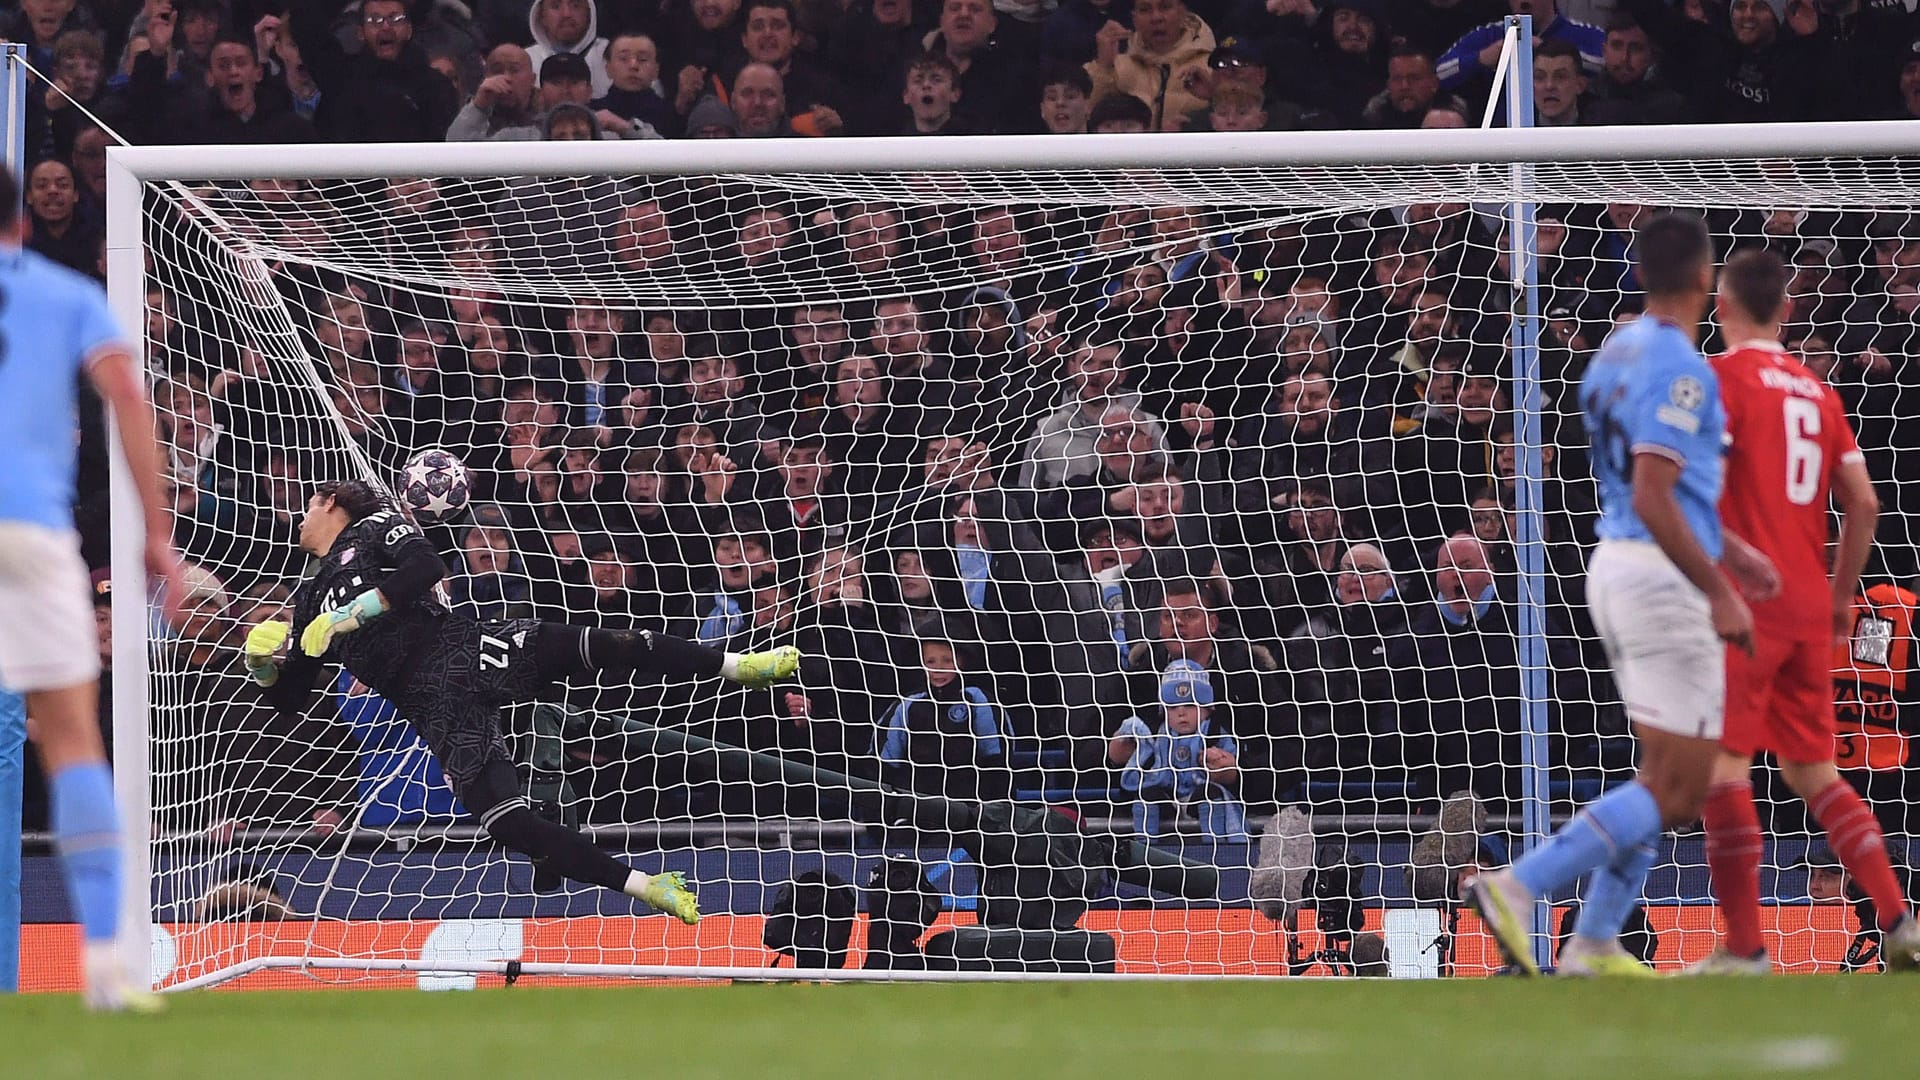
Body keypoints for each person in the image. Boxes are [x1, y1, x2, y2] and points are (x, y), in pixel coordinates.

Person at [240, 479, 801, 920]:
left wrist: (356, 613)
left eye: (307, 506)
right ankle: (646, 885)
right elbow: (291, 700)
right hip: (432, 701)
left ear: (330, 502)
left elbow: (427, 567)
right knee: (504, 820)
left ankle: (737, 666)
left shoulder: (374, 527)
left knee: (595, 644)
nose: (301, 518)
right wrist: (264, 667)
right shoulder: (309, 596)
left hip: (465, 646)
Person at [1467, 212, 1777, 977]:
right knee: (1685, 785)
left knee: (1660, 775)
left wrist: (1735, 552)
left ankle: (1596, 942)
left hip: (1622, 563)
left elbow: (1657, 486)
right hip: (1661, 574)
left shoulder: (1612, 352)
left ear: (1639, 272)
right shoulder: (1681, 367)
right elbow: (1653, 489)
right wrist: (1721, 589)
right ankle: (1520, 885)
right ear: (1705, 279)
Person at [1692, 249, 1920, 973]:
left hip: (1748, 604)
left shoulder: (1717, 382)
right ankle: (1899, 919)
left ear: (1720, 308)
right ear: (1788, 311)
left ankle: (1746, 947)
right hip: (1807, 607)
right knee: (1812, 771)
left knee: (1725, 769)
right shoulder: (1816, 392)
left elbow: (1685, 491)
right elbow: (1865, 503)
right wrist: (1838, 601)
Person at [0, 170, 186, 1011]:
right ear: (23, 219)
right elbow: (128, 400)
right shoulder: (68, 292)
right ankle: (108, 967)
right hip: (34, 533)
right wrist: (154, 532)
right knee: (72, 739)